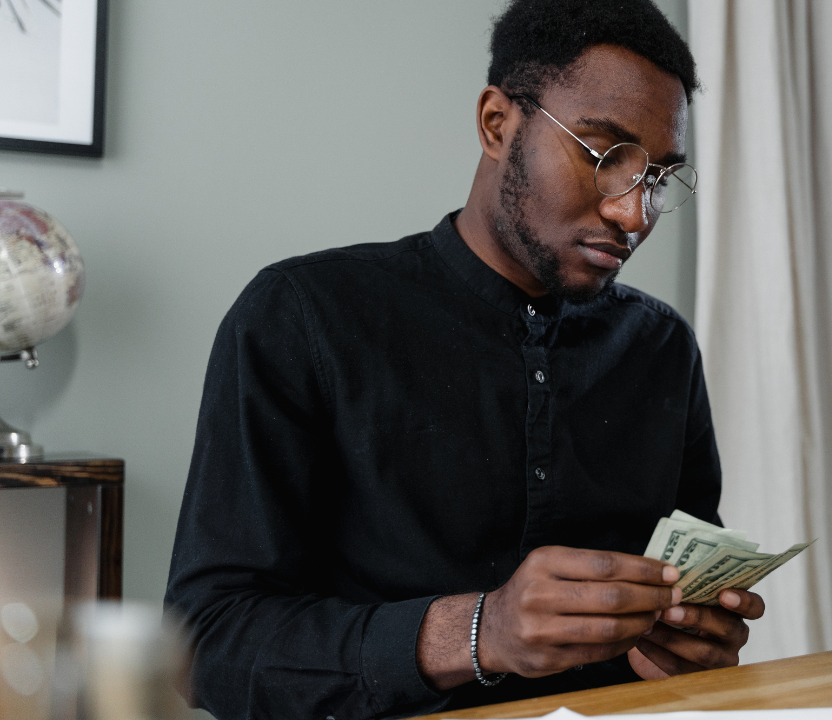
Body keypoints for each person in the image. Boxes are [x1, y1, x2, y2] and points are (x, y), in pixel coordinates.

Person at [164, 1, 769, 718]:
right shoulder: (300, 316)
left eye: (658, 179)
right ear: (496, 124)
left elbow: (687, 612)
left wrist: (696, 638)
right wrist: (478, 632)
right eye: (607, 159)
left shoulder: (661, 348)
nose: (634, 214)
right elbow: (205, 645)